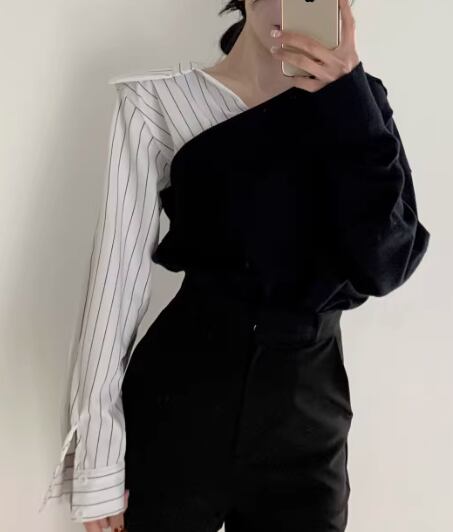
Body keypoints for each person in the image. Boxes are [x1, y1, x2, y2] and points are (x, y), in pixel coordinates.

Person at [39, 0, 430, 530]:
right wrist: (99, 463)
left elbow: (388, 262)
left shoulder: (359, 106)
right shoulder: (157, 102)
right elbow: (114, 285)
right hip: (181, 402)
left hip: (307, 418)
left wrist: (348, 98)